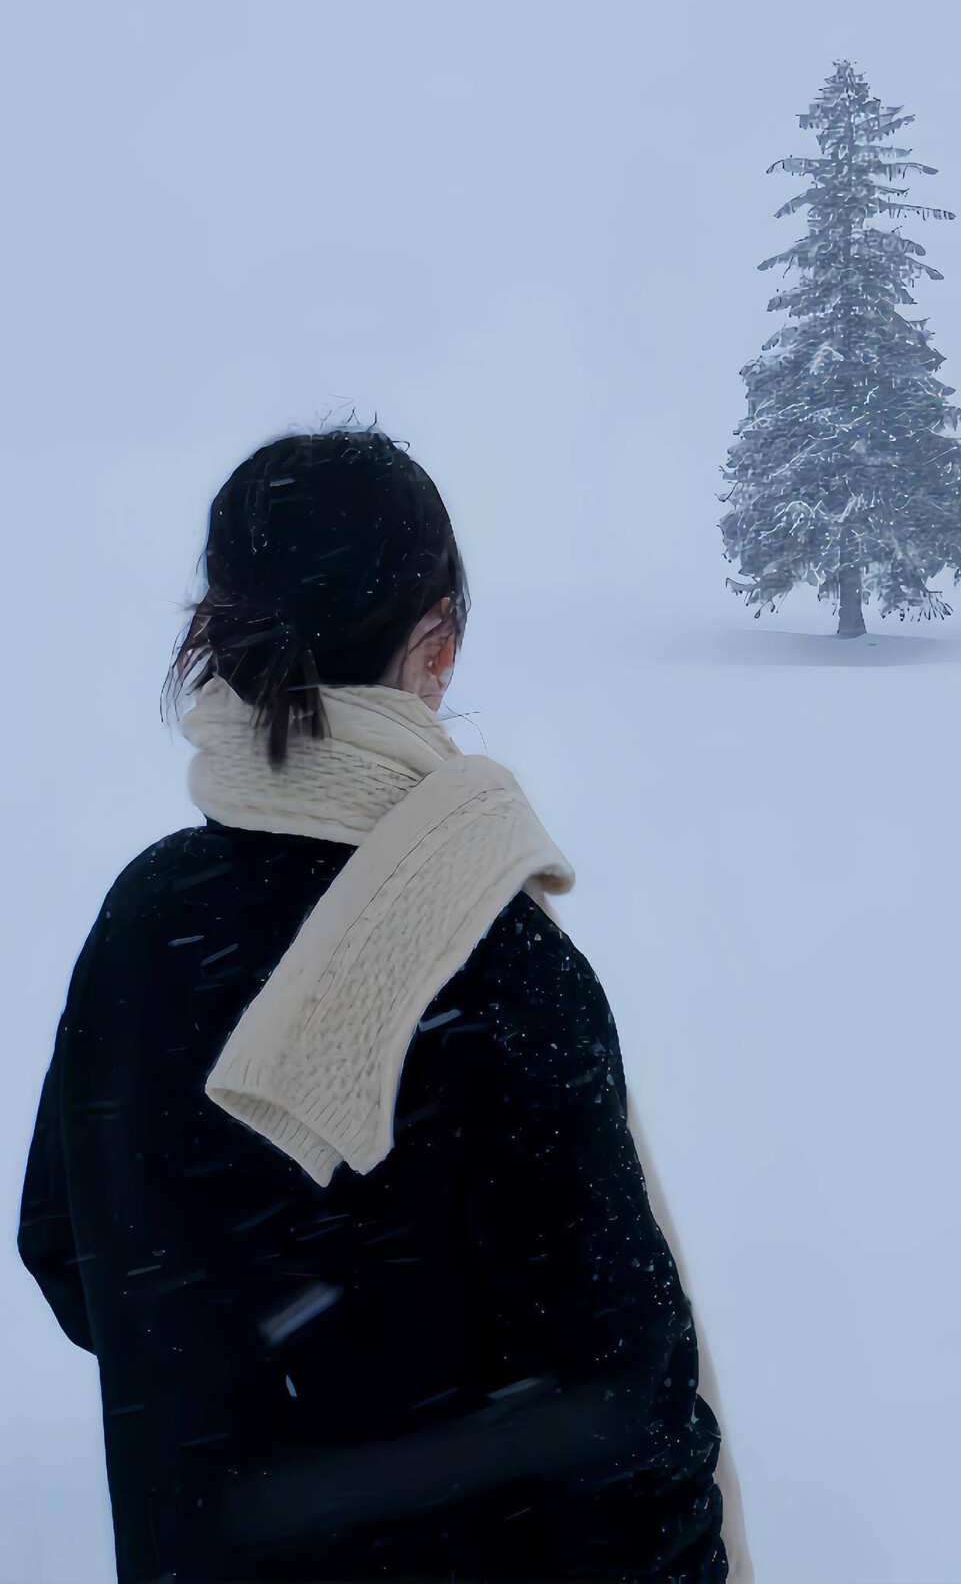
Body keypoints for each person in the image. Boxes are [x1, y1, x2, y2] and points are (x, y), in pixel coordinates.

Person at [17, 424, 752, 1583]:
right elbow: (629, 1415)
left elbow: (64, 1246)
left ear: (218, 634)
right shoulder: (502, 967)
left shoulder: (144, 918)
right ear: (435, 648)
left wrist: (229, 1384)